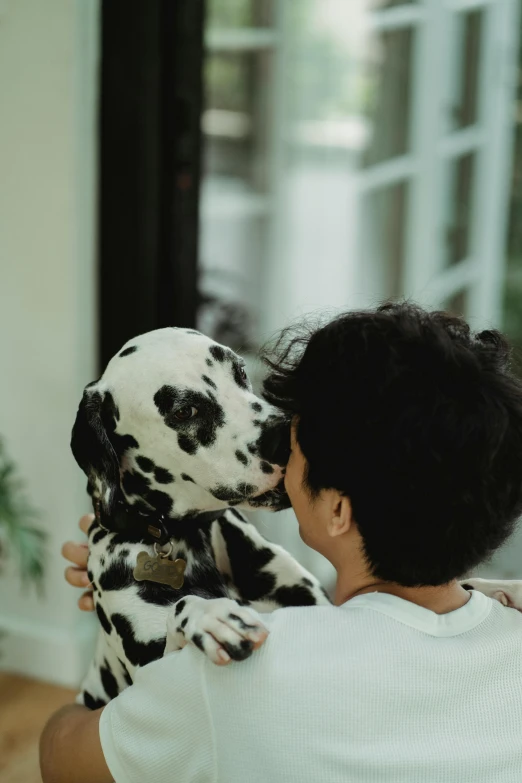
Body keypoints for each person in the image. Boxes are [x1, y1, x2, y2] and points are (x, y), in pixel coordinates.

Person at [41, 303, 522, 783]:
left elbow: (59, 758)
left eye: (299, 437)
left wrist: (114, 646)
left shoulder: (230, 675)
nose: (273, 435)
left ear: (338, 510)